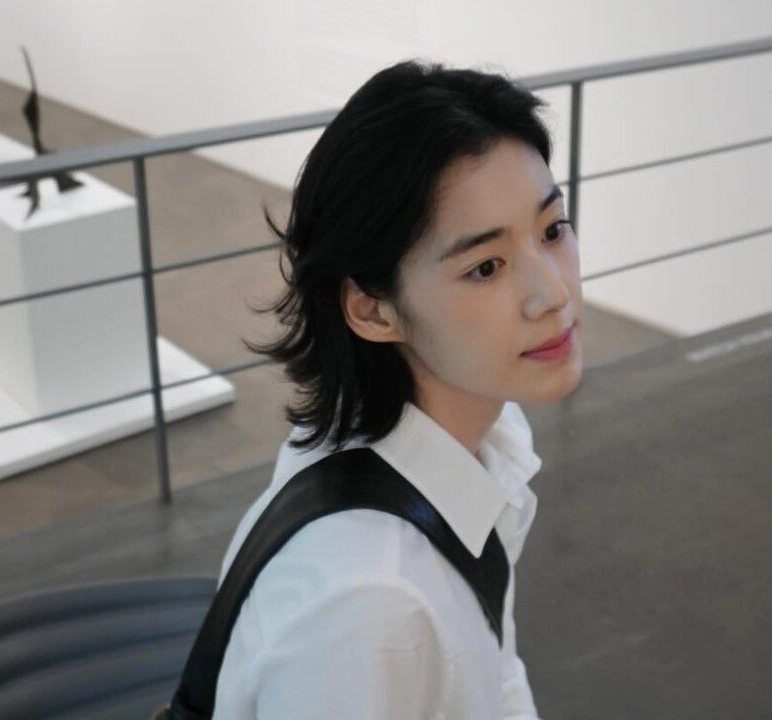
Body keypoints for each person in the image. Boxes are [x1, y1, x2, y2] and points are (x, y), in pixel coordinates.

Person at [216, 58, 584, 719]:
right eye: (486, 267)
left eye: (552, 230)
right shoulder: (370, 607)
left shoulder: (482, 435)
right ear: (372, 310)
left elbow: (494, 670)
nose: (553, 293)